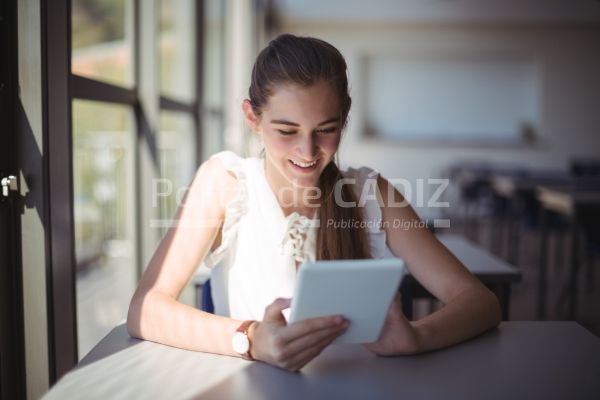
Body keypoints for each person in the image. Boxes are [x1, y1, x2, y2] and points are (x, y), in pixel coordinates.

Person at [127, 33, 501, 372]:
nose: (307, 152)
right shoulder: (226, 182)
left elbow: (481, 302)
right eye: (286, 131)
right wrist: (252, 339)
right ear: (252, 118)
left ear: (345, 117)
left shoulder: (372, 194)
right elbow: (146, 310)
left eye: (326, 129)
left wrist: (418, 336)